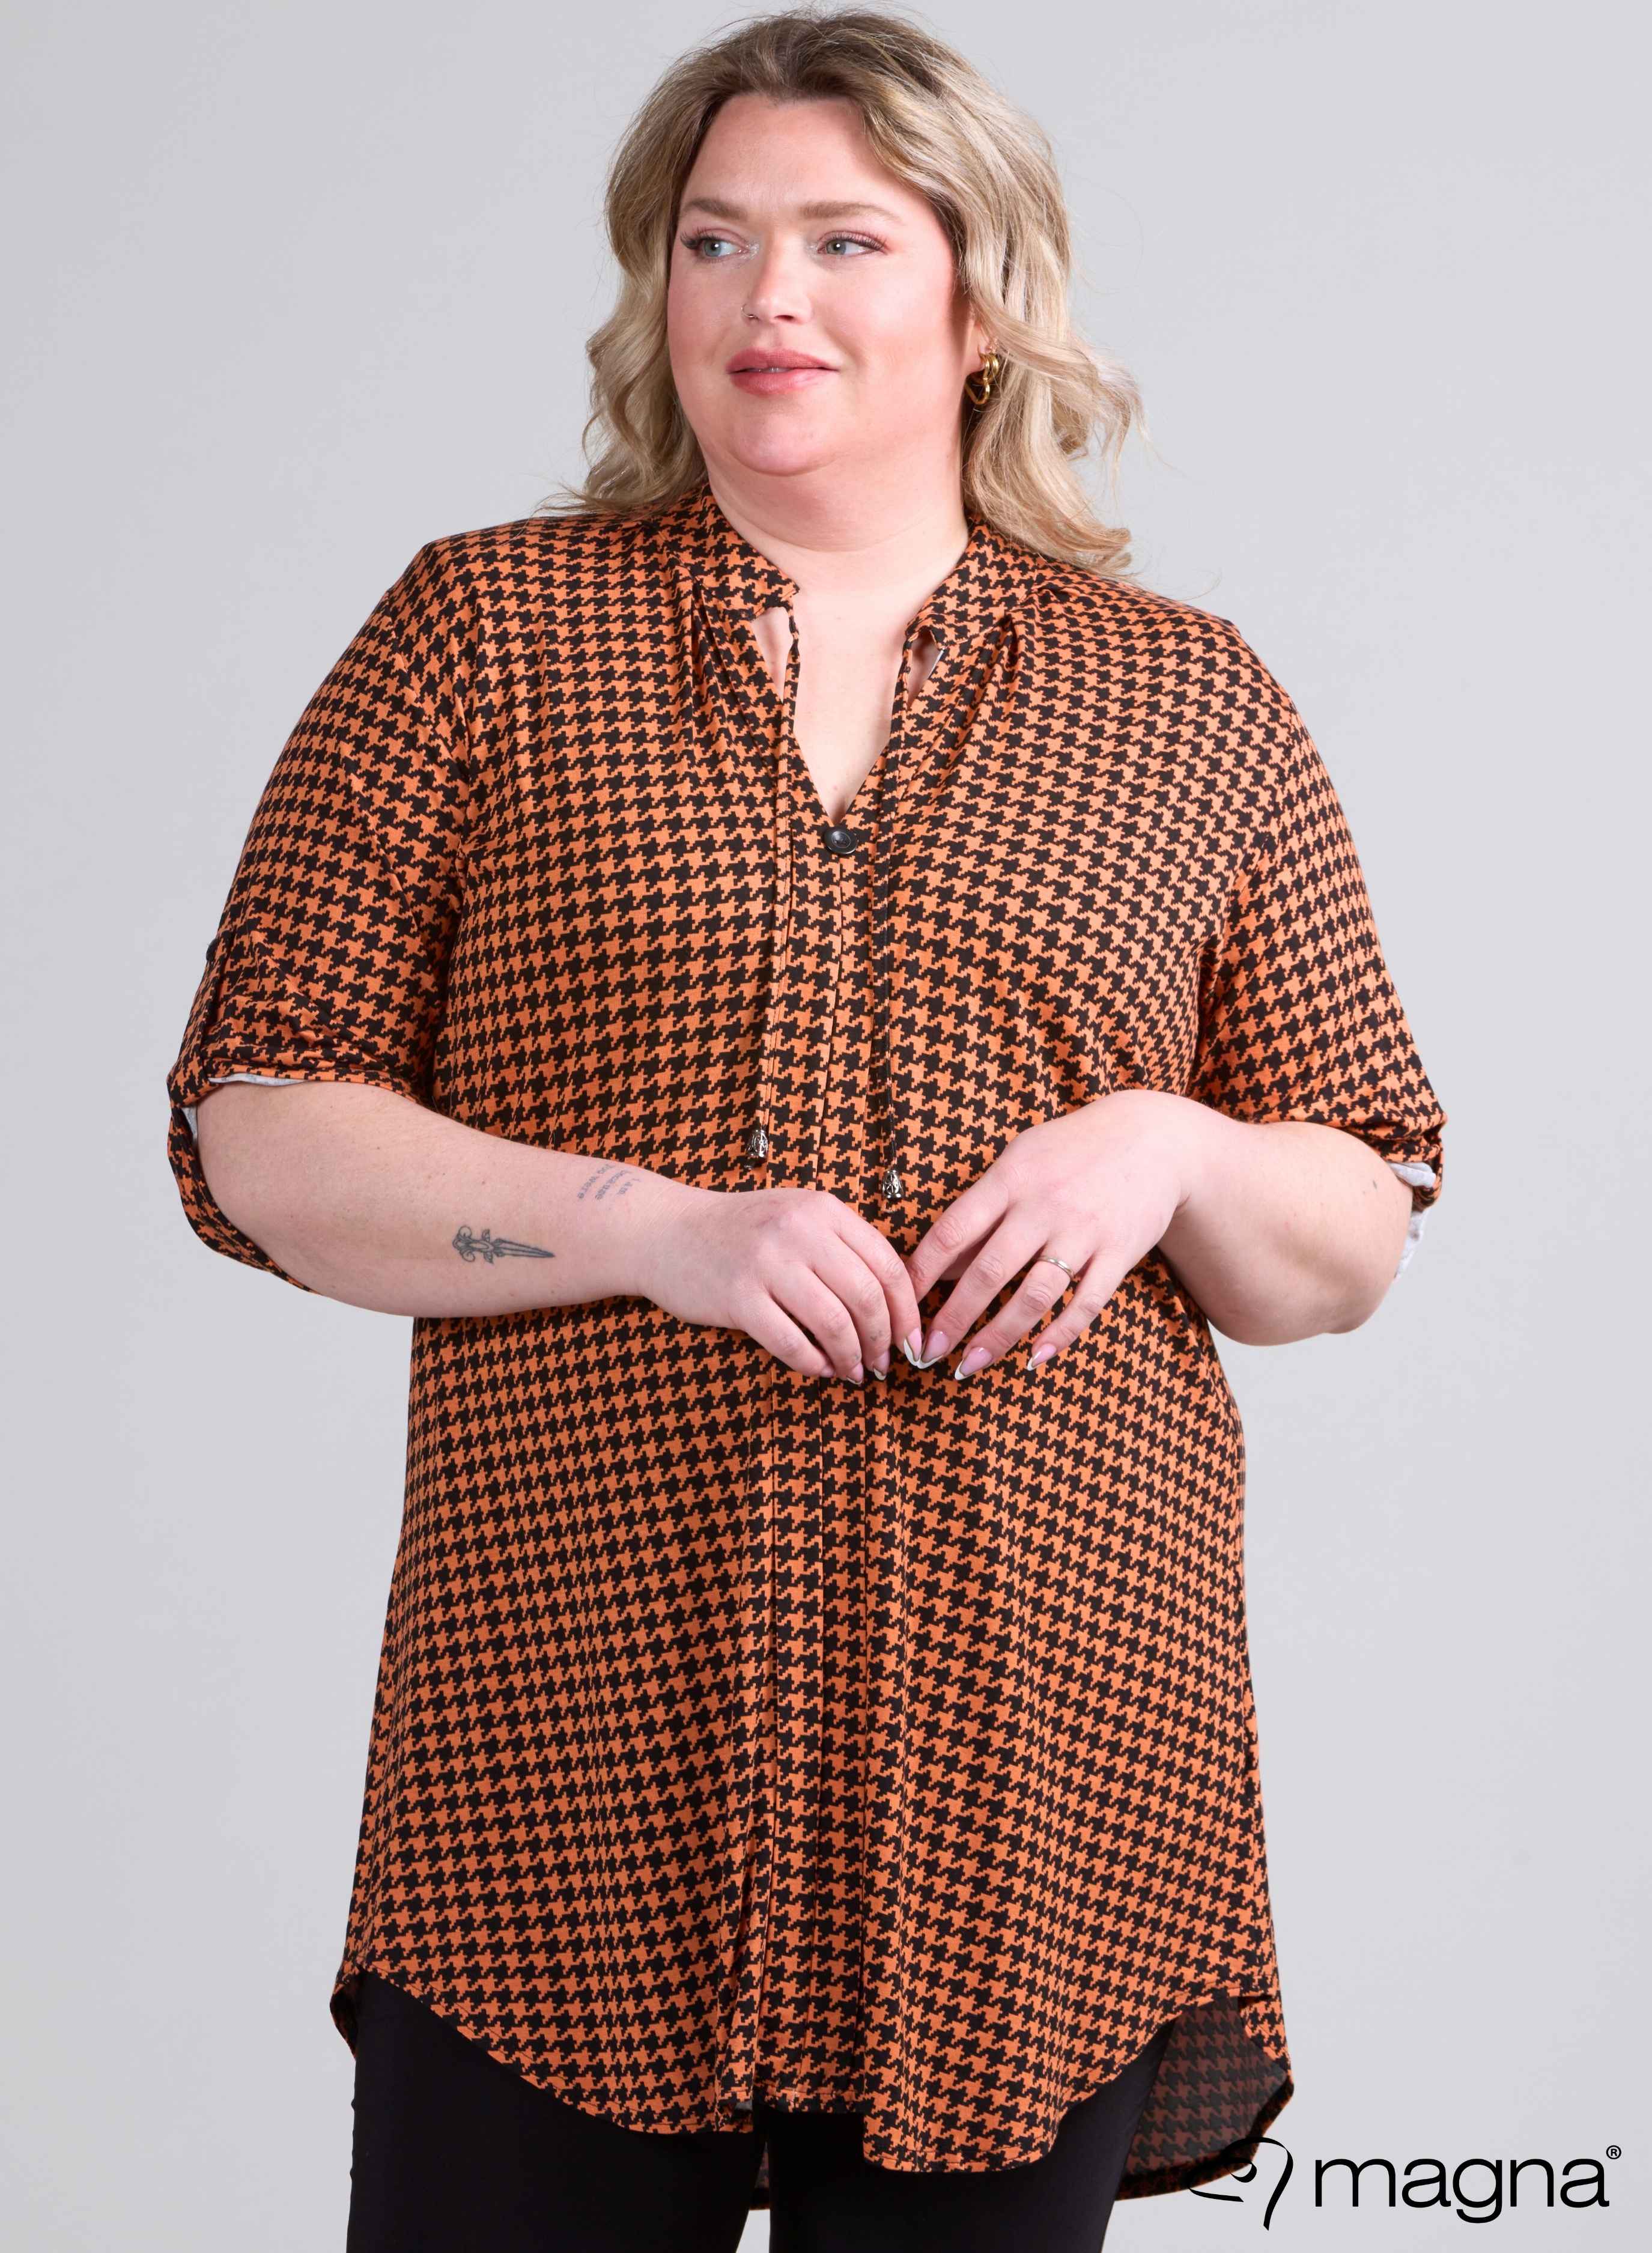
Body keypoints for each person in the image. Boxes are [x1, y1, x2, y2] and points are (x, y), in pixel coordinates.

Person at [165, 10, 1447, 2249]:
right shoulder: (485, 634)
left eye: (847, 238)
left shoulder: (1190, 699)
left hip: (1039, 1795)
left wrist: (1174, 1144)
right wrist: (649, 1226)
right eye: (715, 238)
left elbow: (1352, 1221)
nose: (770, 296)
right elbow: (256, 1124)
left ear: (982, 295)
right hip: (561, 1781)